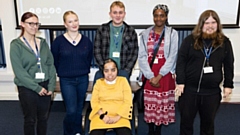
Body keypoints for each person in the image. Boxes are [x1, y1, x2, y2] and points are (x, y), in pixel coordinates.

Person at [176, 10, 234, 135]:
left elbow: (229, 65)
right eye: (207, 23)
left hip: (211, 94)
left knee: (208, 125)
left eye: (213, 22)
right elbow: (180, 61)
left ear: (218, 24)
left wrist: (228, 85)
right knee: (186, 124)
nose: (210, 26)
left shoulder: (225, 43)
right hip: (189, 92)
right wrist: (180, 81)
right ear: (201, 24)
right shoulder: (189, 40)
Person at [9, 12, 56, 135]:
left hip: (45, 85)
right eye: (31, 24)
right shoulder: (16, 45)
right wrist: (36, 88)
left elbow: (50, 65)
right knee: (30, 120)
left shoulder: (43, 43)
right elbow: (19, 72)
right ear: (22, 24)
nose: (34, 27)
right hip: (27, 87)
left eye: (36, 24)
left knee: (43, 119)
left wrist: (51, 86)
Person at [138, 4, 179, 135]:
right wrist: (150, 76)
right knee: (150, 104)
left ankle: (158, 130)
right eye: (156, 15)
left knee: (161, 104)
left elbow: (172, 57)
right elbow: (142, 56)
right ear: (153, 17)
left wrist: (159, 76)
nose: (158, 18)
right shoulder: (145, 33)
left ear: (166, 17)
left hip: (164, 75)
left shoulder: (173, 33)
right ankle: (150, 129)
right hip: (149, 73)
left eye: (162, 15)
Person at [51, 11, 93, 135]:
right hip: (66, 80)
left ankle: (77, 131)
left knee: (79, 109)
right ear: (65, 24)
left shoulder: (86, 41)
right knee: (71, 110)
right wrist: (63, 72)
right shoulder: (58, 41)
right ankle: (68, 132)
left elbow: (89, 58)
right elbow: (55, 60)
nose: (74, 24)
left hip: (82, 79)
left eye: (75, 20)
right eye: (70, 21)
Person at [93, 0, 138, 84]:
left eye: (120, 13)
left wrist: (126, 71)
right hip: (104, 72)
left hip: (123, 71)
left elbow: (134, 53)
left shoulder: (130, 31)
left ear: (124, 14)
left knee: (122, 97)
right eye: (115, 12)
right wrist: (105, 69)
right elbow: (97, 51)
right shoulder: (102, 29)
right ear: (110, 14)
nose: (118, 15)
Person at [89, 58, 133, 135]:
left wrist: (118, 117)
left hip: (121, 117)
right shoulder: (98, 83)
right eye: (106, 71)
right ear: (103, 72)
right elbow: (94, 101)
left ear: (117, 70)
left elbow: (128, 101)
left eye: (113, 70)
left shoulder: (123, 81)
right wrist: (103, 116)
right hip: (100, 117)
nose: (110, 73)